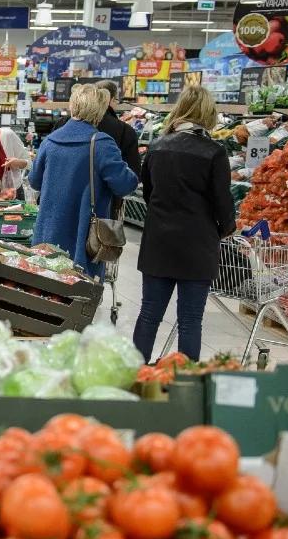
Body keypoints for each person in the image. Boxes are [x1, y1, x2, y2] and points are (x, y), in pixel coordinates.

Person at [132, 85, 236, 363]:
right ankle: (185, 382)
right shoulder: (214, 152)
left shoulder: (156, 146)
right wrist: (227, 228)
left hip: (158, 243)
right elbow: (222, 201)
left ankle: (134, 373)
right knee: (190, 319)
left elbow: (148, 190)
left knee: (149, 313)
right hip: (197, 245)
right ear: (208, 113)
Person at [28, 85, 138, 279]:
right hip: (85, 237)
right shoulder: (102, 144)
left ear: (73, 106)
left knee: (46, 289)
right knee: (79, 293)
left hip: (48, 234)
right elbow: (125, 184)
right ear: (99, 110)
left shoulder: (50, 141)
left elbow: (34, 181)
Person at [56, 80, 142, 177]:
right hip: (104, 190)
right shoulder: (122, 131)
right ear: (110, 99)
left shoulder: (60, 125)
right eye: (116, 100)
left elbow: (37, 178)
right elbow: (131, 175)